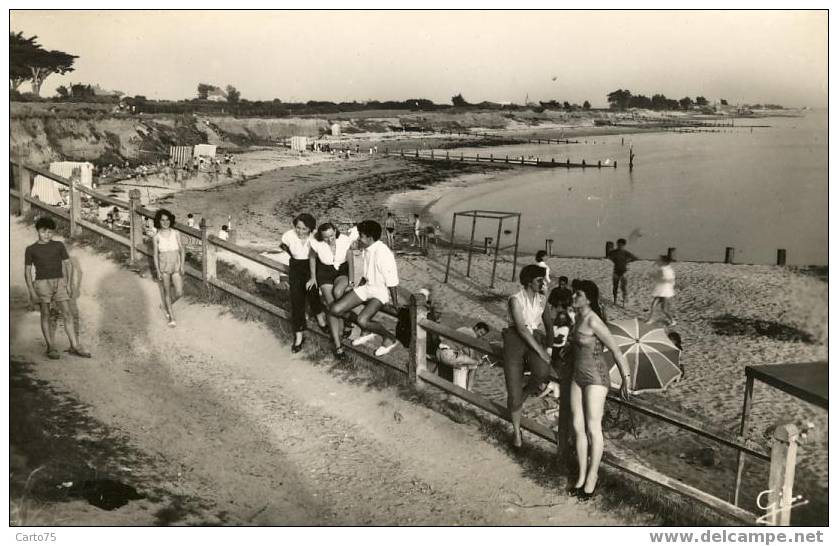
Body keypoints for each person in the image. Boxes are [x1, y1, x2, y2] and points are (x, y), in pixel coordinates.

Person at [567, 280, 630, 500]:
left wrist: (626, 379)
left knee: (593, 427)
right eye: (574, 293)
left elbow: (616, 350)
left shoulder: (594, 320)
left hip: (596, 377)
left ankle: (592, 477)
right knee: (578, 426)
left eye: (578, 294)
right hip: (577, 375)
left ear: (589, 299)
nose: (574, 297)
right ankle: (581, 476)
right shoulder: (577, 317)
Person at [329, 220, 400, 358]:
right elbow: (367, 273)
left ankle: (389, 337)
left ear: (370, 238)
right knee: (335, 309)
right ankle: (366, 331)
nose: (358, 238)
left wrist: (395, 303)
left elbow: (392, 280)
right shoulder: (367, 249)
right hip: (366, 287)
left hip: (380, 292)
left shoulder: (383, 252)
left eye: (361, 236)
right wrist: (357, 287)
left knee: (363, 320)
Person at [24, 217, 91, 359]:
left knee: (67, 313)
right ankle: (50, 347)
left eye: (50, 232)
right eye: (43, 232)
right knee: (45, 314)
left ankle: (74, 346)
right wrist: (31, 291)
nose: (46, 235)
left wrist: (69, 284)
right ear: (38, 231)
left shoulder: (58, 245)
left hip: (60, 282)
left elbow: (68, 264)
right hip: (42, 284)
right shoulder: (31, 249)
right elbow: (27, 271)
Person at [503, 264, 551, 449]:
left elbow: (548, 323)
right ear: (529, 281)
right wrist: (541, 351)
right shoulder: (515, 299)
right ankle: (517, 433)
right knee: (513, 385)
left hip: (533, 337)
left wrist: (549, 347)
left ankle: (520, 397)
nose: (543, 283)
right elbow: (521, 329)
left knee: (543, 371)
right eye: (539, 280)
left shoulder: (542, 300)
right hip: (515, 338)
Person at [309, 222, 358, 358]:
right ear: (321, 236)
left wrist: (351, 282)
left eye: (331, 235)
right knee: (331, 306)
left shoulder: (344, 240)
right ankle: (338, 346)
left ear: (335, 231)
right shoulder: (316, 243)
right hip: (324, 273)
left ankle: (346, 319)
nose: (330, 239)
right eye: (326, 237)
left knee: (338, 292)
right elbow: (312, 258)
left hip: (341, 271)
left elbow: (351, 261)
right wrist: (313, 277)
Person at [281, 213, 326, 353]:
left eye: (304, 229)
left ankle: (321, 320)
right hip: (295, 267)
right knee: (296, 300)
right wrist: (294, 257)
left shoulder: (315, 237)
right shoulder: (289, 235)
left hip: (311, 266)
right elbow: (283, 246)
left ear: (311, 229)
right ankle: (299, 336)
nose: (300, 231)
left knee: (313, 294)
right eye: (298, 227)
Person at [152, 209, 185, 327]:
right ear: (158, 221)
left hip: (176, 264)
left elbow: (182, 250)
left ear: (170, 220)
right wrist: (158, 271)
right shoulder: (156, 237)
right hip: (164, 266)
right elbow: (155, 255)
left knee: (179, 292)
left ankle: (166, 305)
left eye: (167, 220)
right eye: (162, 220)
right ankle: (171, 317)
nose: (165, 222)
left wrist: (182, 265)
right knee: (167, 292)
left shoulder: (176, 233)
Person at [435, 322, 491, 390]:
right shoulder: (472, 334)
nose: (480, 335)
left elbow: (465, 349)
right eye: (480, 332)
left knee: (470, 362)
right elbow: (470, 352)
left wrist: (475, 359)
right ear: (476, 328)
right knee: (474, 364)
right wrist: (478, 361)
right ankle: (467, 390)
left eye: (483, 334)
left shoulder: (464, 329)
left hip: (440, 352)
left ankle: (465, 389)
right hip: (448, 354)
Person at [646, 255, 676, 326]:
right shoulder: (661, 269)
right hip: (660, 291)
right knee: (653, 305)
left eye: (659, 260)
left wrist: (662, 278)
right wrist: (652, 274)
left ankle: (672, 320)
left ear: (663, 262)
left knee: (664, 309)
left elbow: (670, 280)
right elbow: (657, 277)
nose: (658, 261)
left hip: (666, 292)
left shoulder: (667, 270)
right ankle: (650, 319)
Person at [607, 238, 638, 306]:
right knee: (615, 287)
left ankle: (623, 302)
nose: (620, 246)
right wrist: (613, 260)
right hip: (616, 271)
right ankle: (615, 301)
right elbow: (609, 256)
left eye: (621, 245)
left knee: (623, 287)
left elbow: (635, 258)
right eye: (618, 244)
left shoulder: (626, 252)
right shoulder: (613, 252)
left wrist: (627, 261)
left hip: (624, 272)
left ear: (624, 245)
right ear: (617, 244)